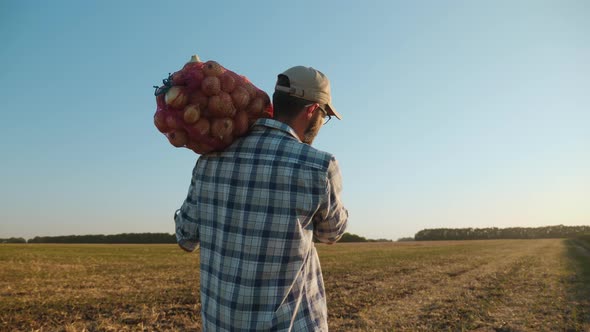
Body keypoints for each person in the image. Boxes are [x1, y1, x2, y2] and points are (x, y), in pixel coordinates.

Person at [174, 66, 349, 331]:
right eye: (324, 115)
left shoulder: (208, 162)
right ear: (312, 111)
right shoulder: (318, 166)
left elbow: (185, 236)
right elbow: (332, 232)